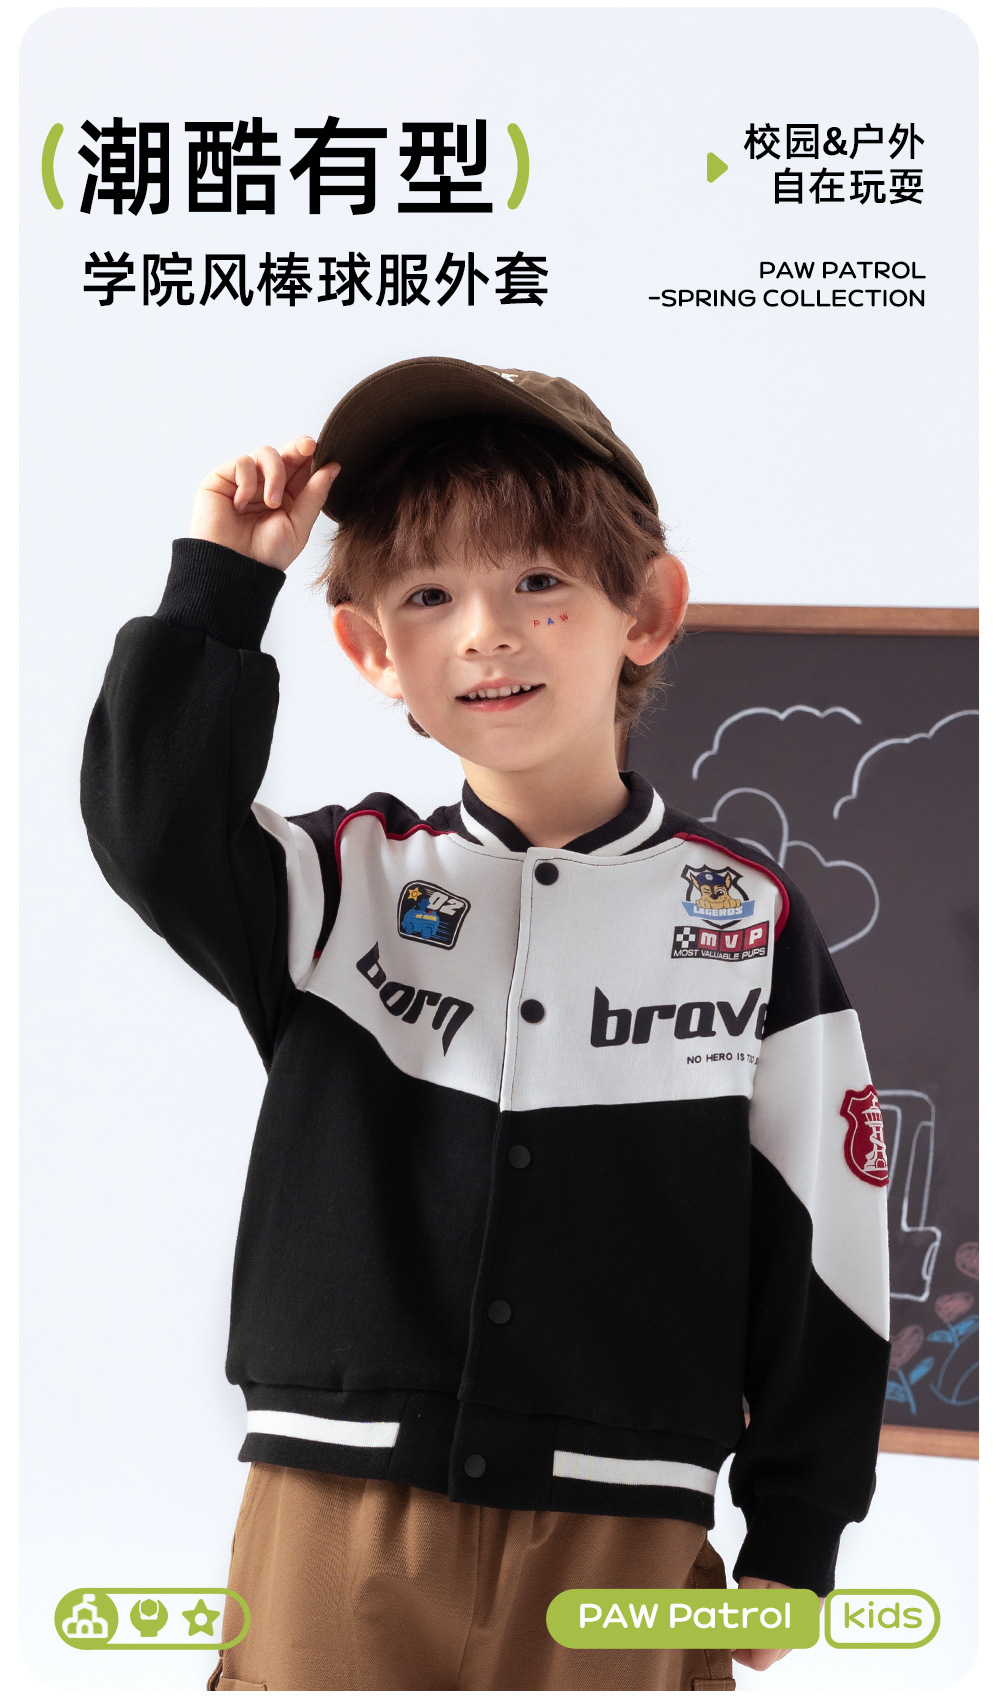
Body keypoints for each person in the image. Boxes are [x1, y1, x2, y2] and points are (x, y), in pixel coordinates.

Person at [80, 357, 891, 1692]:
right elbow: (152, 828)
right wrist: (221, 586)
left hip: (626, 1531)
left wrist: (798, 1537)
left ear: (647, 612)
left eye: (539, 580)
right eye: (429, 595)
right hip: (334, 1519)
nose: (485, 633)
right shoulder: (338, 884)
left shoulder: (750, 919)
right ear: (371, 652)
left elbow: (831, 1240)